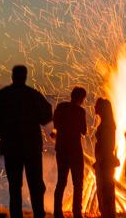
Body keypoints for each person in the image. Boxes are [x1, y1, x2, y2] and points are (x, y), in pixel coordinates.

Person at [0, 65, 53, 218]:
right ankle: (39, 215)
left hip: (12, 149)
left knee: (14, 188)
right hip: (32, 149)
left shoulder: (3, 95)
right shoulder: (33, 95)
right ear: (25, 76)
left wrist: (5, 125)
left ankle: (16, 216)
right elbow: (47, 117)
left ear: (12, 76)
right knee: (36, 186)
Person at [52, 86, 88, 218]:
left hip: (61, 149)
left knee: (61, 181)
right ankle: (77, 212)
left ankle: (57, 212)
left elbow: (55, 125)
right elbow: (83, 131)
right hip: (75, 151)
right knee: (78, 182)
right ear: (81, 98)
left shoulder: (61, 107)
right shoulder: (80, 111)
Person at [93, 98, 118, 218]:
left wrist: (103, 160)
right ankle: (107, 213)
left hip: (105, 161)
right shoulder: (106, 124)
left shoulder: (107, 126)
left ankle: (107, 214)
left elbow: (108, 145)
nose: (94, 108)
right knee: (105, 189)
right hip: (103, 160)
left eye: (97, 106)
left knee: (105, 189)